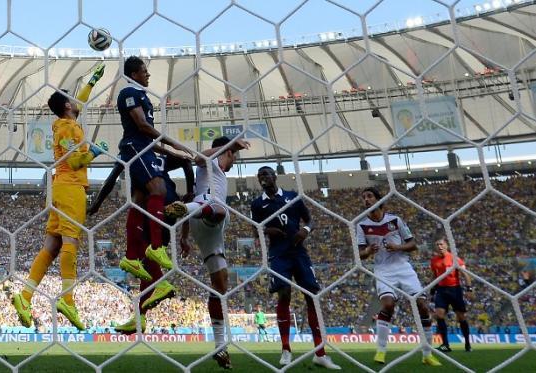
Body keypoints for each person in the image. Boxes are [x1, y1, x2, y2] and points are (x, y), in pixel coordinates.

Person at [12, 64, 107, 330]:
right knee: (70, 242)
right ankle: (68, 300)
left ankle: (25, 296)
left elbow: (81, 101)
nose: (78, 101)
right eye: (73, 100)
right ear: (67, 106)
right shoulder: (67, 129)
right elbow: (75, 161)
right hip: (70, 187)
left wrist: (91, 82)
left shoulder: (67, 123)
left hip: (59, 188)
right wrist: (94, 153)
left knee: (51, 247)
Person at [87, 150, 194, 334]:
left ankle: (161, 284)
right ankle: (140, 316)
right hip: (169, 207)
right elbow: (186, 161)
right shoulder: (159, 157)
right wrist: (190, 191)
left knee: (144, 257)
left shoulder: (131, 153)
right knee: (148, 261)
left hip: (151, 206)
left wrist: (97, 203)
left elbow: (111, 180)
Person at [171, 136, 251, 370]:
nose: (233, 160)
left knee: (221, 285)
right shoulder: (212, 162)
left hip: (204, 226)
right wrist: (230, 145)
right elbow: (199, 157)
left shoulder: (215, 176)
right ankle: (185, 210)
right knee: (219, 209)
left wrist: (184, 237)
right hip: (207, 210)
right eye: (233, 155)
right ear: (227, 153)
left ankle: (220, 346)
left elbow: (191, 195)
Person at [250, 166, 340, 370]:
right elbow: (255, 230)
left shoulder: (292, 196)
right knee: (284, 293)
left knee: (312, 296)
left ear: (275, 177)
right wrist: (265, 229)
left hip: (299, 252)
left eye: (266, 173)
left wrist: (305, 230)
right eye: (259, 175)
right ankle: (286, 349)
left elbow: (310, 220)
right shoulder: (257, 204)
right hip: (278, 254)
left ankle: (320, 353)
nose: (263, 177)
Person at [116, 56, 189, 281]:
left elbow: (148, 137)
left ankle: (130, 256)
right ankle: (156, 247)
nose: (148, 75)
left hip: (144, 149)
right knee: (158, 189)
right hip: (134, 148)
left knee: (139, 200)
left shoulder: (142, 96)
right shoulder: (129, 93)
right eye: (144, 71)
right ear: (134, 75)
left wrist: (173, 152)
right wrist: (171, 141)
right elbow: (141, 126)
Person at [357, 187, 441, 366]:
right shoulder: (361, 225)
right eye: (363, 197)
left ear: (379, 200)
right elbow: (360, 255)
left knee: (423, 306)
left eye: (369, 196)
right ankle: (381, 351)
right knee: (388, 305)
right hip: (383, 270)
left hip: (403, 268)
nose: (366, 200)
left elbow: (413, 244)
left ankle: (427, 354)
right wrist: (368, 251)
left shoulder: (395, 220)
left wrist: (398, 247)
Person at [430, 237, 473, 352]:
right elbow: (435, 276)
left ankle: (468, 343)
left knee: (461, 317)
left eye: (441, 244)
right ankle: (445, 344)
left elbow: (466, 274)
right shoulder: (434, 261)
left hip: (455, 290)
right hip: (441, 290)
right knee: (439, 314)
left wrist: (469, 288)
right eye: (437, 245)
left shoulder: (455, 259)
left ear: (447, 246)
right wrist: (433, 288)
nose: (440, 247)